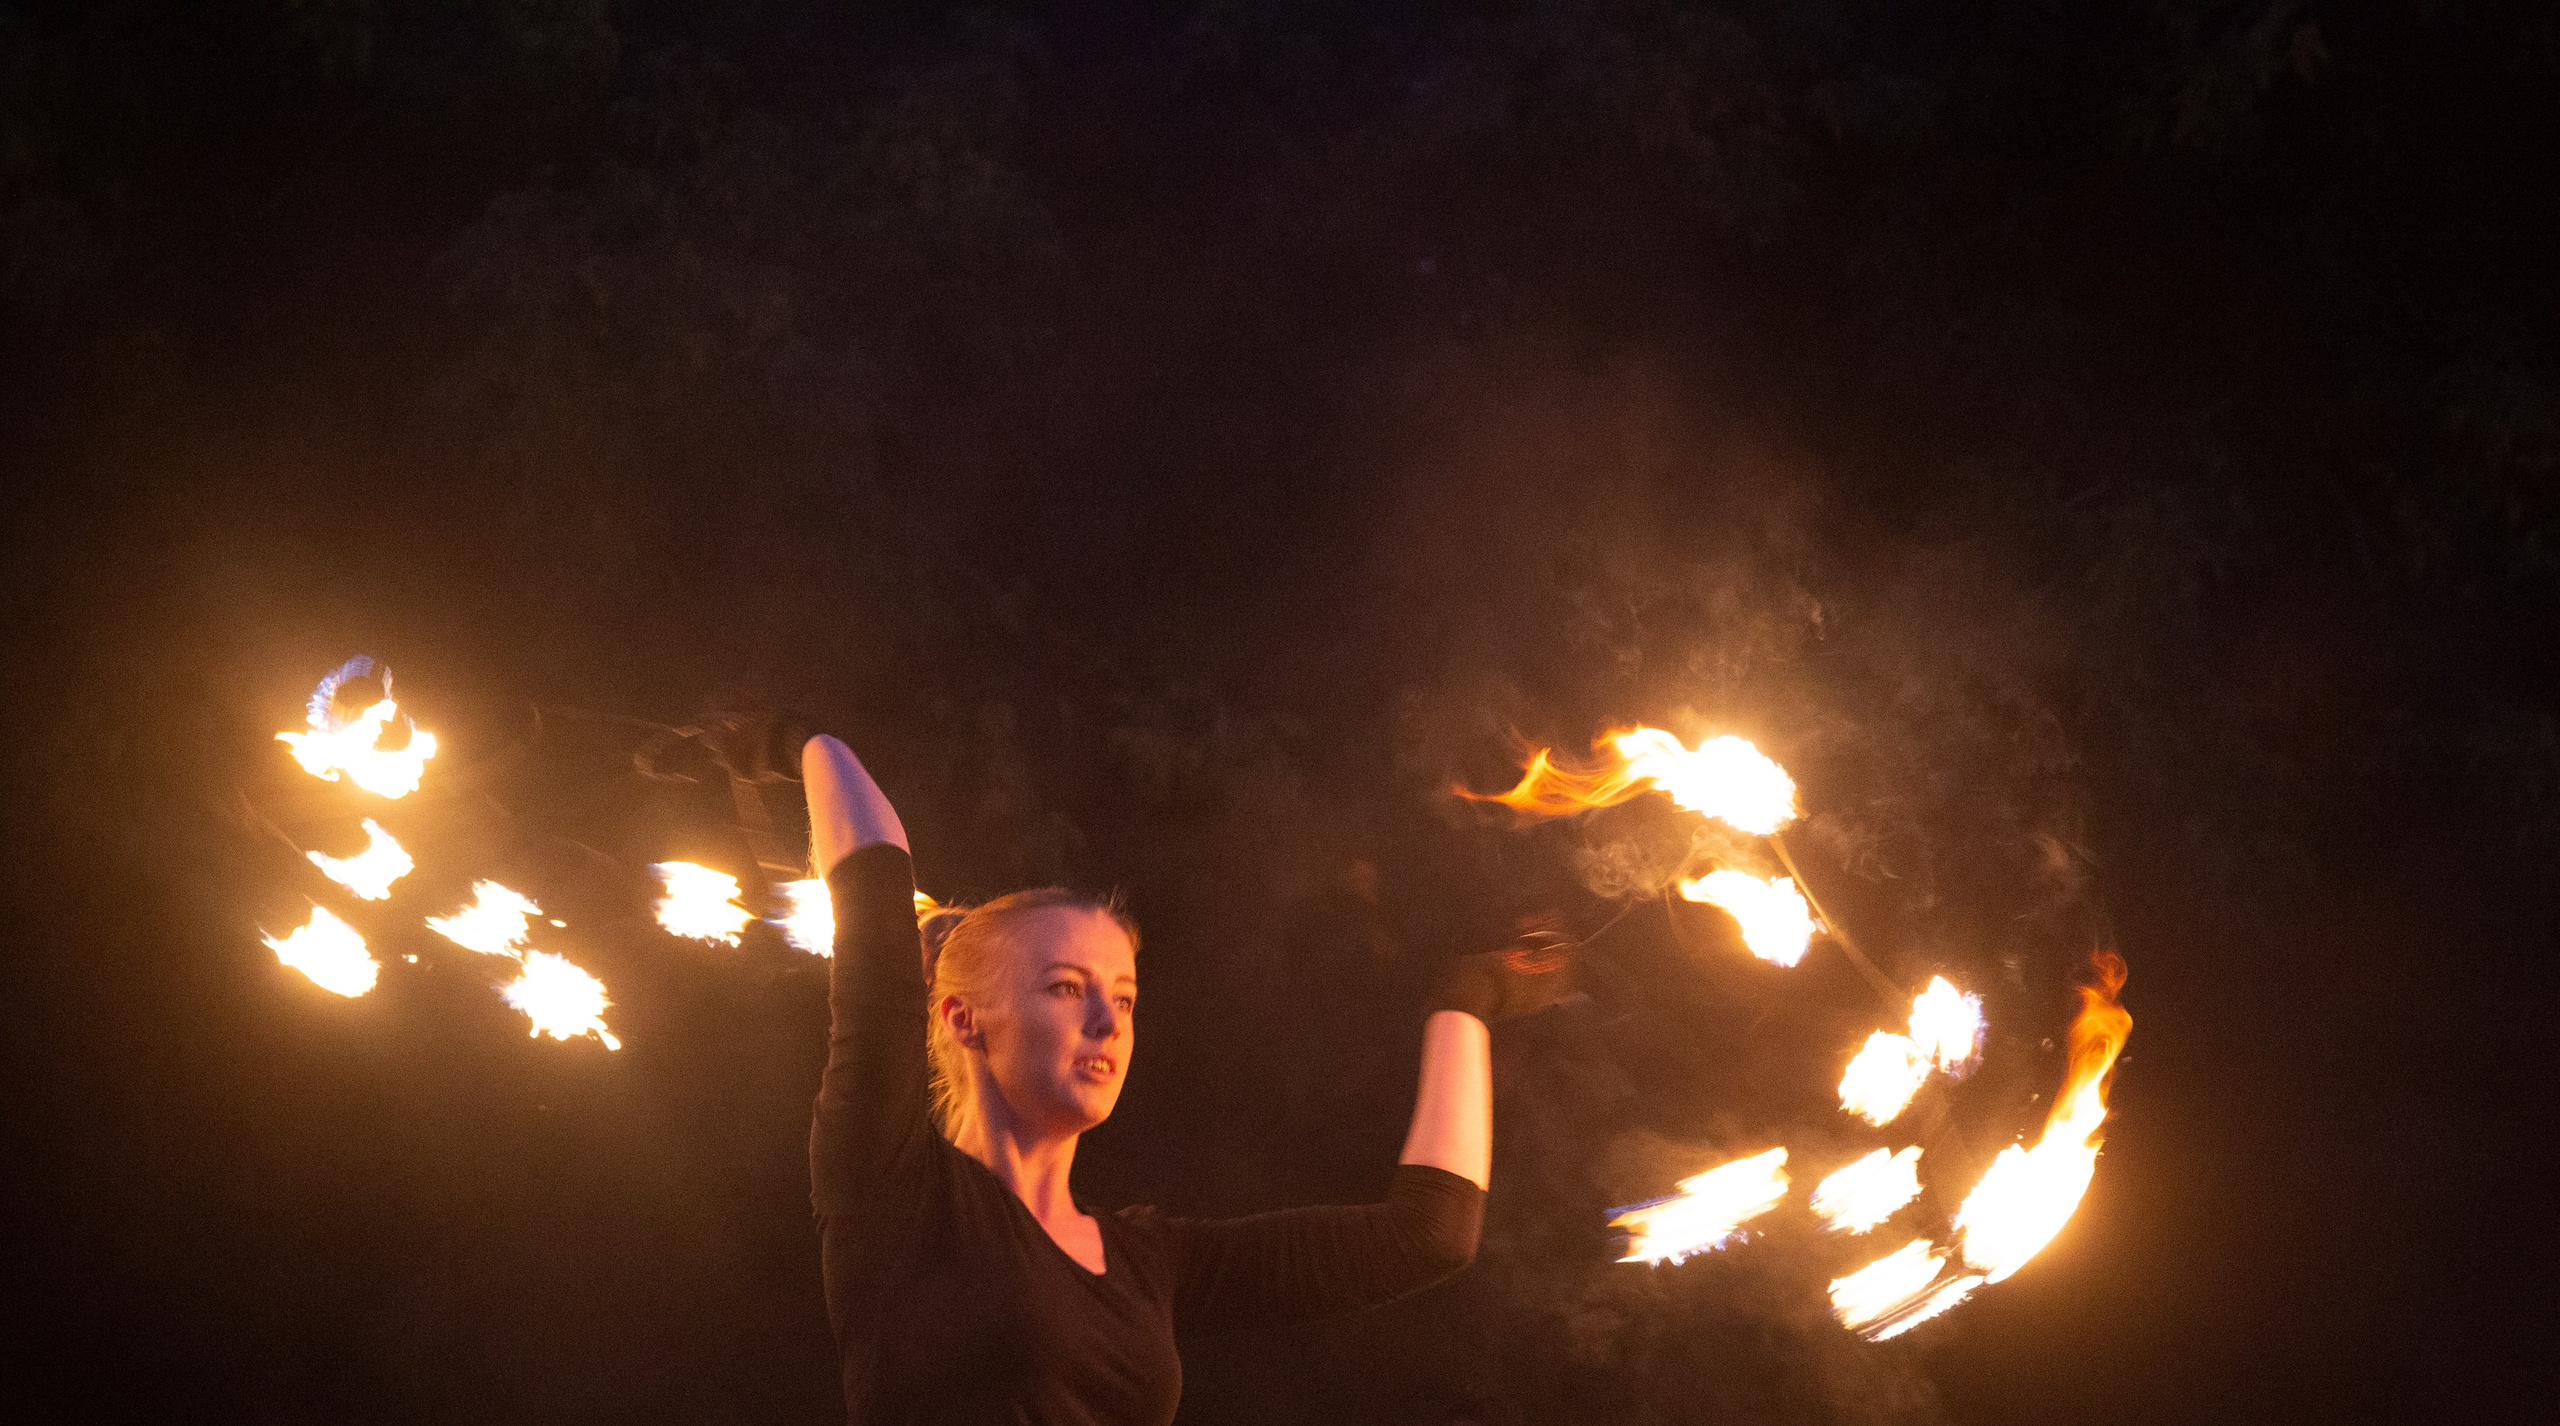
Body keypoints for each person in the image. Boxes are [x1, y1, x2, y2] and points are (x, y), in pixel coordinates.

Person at [711, 718, 1574, 1424]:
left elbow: (1430, 1234)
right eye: (1065, 988)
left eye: (1123, 998)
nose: (1106, 1022)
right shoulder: (895, 1183)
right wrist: (793, 740)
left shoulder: (1152, 1265)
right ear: (962, 1019)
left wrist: (1468, 999)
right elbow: (872, 870)